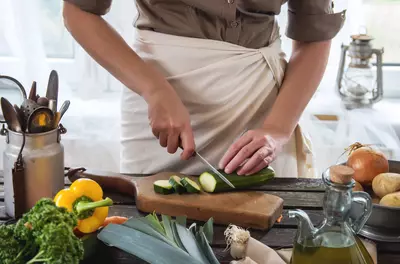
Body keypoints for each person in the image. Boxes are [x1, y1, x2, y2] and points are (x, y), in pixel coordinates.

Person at [62, 0, 345, 178]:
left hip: (260, 110)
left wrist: (277, 130)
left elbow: (314, 36)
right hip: (157, 105)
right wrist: (154, 89)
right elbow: (78, 11)